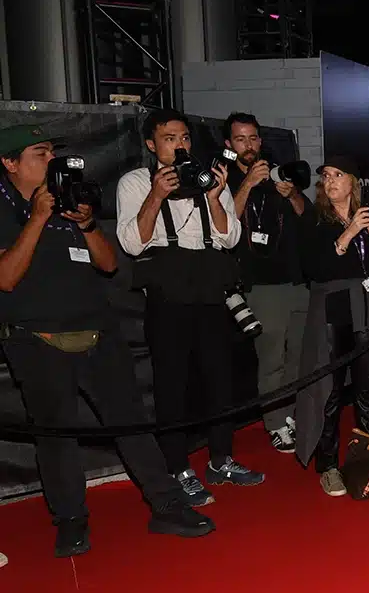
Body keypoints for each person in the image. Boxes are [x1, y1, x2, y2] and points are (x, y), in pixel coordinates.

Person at [0, 124, 214, 557]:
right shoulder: (4, 208)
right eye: (40, 153)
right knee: (57, 437)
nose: (51, 161)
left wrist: (88, 224)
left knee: (132, 423)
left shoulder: (69, 195)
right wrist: (39, 218)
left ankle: (167, 505)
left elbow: (110, 264)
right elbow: (6, 279)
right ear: (10, 162)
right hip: (37, 340)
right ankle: (71, 520)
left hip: (100, 334)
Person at [116, 109, 265, 507]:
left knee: (220, 379)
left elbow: (229, 236)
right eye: (169, 138)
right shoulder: (134, 182)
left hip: (211, 290)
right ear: (151, 144)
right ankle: (178, 468)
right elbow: (132, 244)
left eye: (183, 137)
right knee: (172, 386)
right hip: (168, 295)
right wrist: (156, 195)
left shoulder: (208, 174)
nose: (179, 144)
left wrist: (216, 197)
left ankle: (221, 459)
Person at [293, 156, 369, 497]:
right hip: (331, 311)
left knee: (367, 390)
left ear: (353, 181)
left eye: (338, 175)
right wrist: (349, 232)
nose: (330, 181)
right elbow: (313, 269)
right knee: (331, 392)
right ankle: (328, 466)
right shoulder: (314, 219)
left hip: (366, 308)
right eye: (325, 176)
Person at [223, 112, 310, 454]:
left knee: (298, 356)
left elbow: (306, 217)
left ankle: (289, 414)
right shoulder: (223, 178)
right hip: (259, 285)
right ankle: (274, 423)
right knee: (271, 359)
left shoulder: (277, 175)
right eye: (241, 139)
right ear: (229, 145)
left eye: (254, 138)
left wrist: (291, 194)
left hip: (295, 279)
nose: (249, 145)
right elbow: (224, 222)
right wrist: (246, 183)